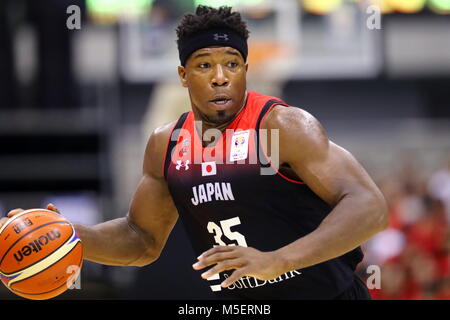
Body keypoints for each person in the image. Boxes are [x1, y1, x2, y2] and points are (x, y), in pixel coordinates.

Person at [1, 5, 388, 299]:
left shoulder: (281, 126)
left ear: (245, 70)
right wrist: (69, 236)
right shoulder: (165, 145)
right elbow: (141, 240)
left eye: (231, 64)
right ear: (184, 75)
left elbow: (369, 206)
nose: (220, 76)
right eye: (205, 65)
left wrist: (277, 260)